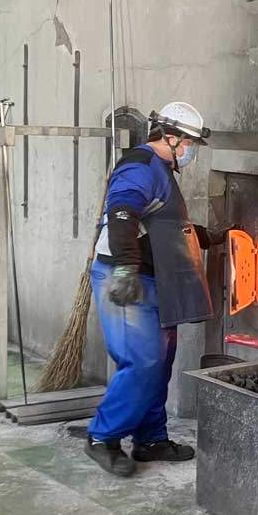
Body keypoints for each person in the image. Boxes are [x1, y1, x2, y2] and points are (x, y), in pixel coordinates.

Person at [84, 101, 227, 476]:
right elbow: (122, 215)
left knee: (160, 361)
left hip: (154, 277)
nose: (190, 151)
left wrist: (210, 237)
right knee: (143, 360)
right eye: (189, 143)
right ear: (171, 137)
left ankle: (150, 439)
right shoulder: (140, 166)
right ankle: (102, 437)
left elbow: (163, 226)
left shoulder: (160, 171)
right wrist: (127, 268)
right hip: (124, 277)